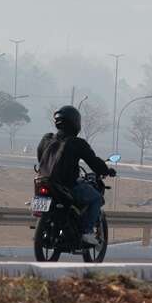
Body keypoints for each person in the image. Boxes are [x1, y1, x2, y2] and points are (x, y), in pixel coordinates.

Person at [35, 105, 115, 245]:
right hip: (67, 185)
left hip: (42, 180)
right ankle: (87, 232)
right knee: (96, 198)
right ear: (75, 123)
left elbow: (40, 157)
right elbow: (93, 161)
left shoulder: (46, 139)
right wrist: (106, 170)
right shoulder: (76, 143)